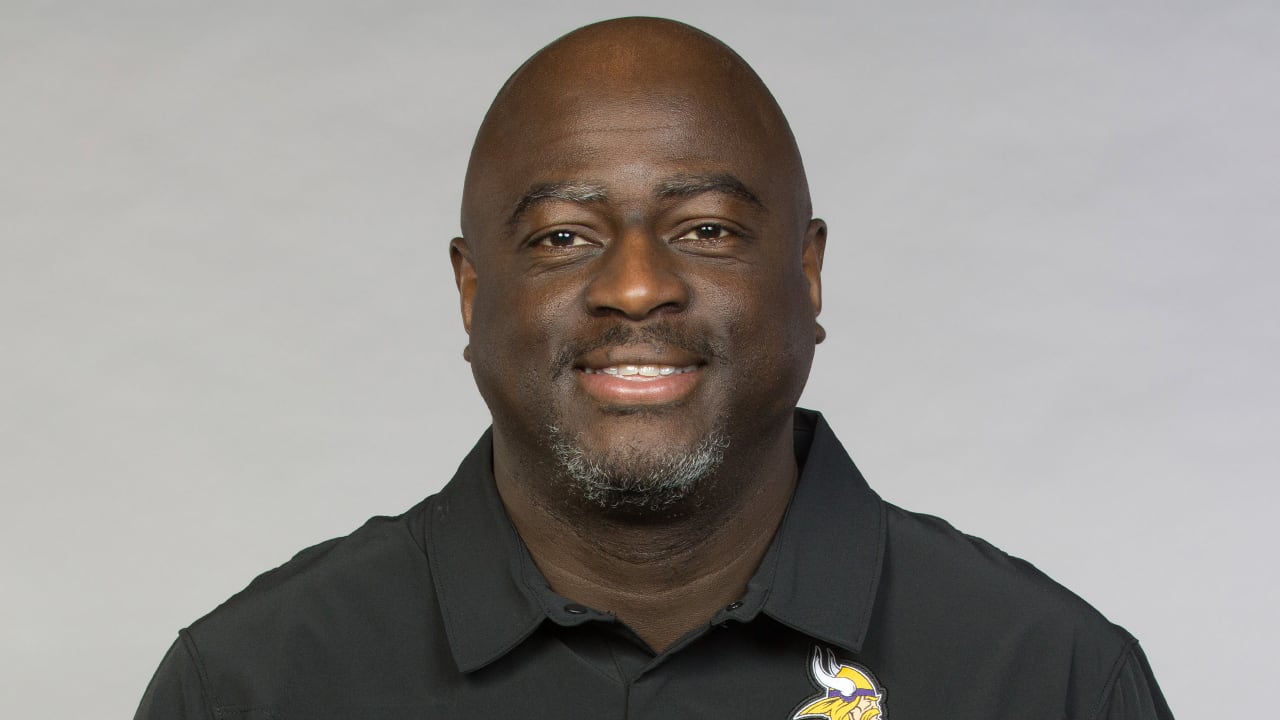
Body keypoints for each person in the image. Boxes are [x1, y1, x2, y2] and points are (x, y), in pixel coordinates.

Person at [135, 17, 1174, 720]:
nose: (635, 288)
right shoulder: (253, 688)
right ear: (468, 290)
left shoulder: (1047, 680)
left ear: (806, 274)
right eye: (561, 237)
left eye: (707, 228)